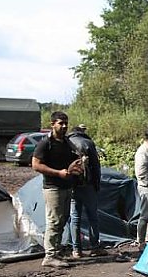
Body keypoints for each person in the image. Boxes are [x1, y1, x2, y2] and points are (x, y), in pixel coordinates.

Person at [32, 112, 83, 268]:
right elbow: (36, 165)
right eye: (61, 123)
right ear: (52, 124)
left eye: (66, 123)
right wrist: (58, 173)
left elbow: (73, 159)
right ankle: (49, 256)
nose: (64, 126)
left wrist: (77, 165)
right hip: (52, 188)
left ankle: (57, 251)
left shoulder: (67, 142)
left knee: (62, 220)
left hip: (66, 186)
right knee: (54, 221)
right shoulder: (45, 143)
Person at [65, 124, 103, 259]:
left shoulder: (66, 142)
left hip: (72, 185)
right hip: (88, 185)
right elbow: (96, 166)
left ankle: (76, 249)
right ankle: (95, 248)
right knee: (93, 217)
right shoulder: (88, 143)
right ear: (82, 132)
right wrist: (97, 185)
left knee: (75, 218)